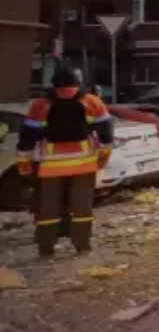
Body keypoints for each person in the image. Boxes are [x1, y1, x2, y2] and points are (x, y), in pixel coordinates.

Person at [15, 68, 114, 258]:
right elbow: (106, 133)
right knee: (76, 208)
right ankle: (72, 246)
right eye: (64, 89)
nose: (66, 92)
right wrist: (104, 155)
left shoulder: (42, 105)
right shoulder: (92, 102)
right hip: (80, 166)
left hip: (52, 168)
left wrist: (24, 162)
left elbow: (28, 136)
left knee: (51, 209)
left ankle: (60, 247)